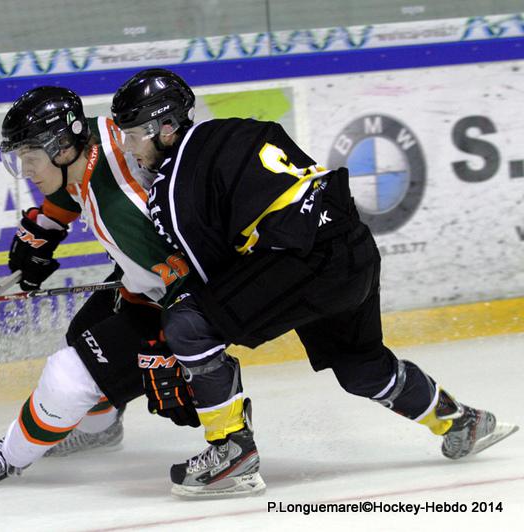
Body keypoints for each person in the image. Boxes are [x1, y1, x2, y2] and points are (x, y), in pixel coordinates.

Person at [110, 68, 519, 499]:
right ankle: (461, 422)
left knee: (189, 325)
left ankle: (231, 452)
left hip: (301, 262)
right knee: (362, 367)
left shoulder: (171, 187)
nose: (129, 148)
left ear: (167, 127)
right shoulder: (235, 130)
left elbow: (208, 282)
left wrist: (171, 333)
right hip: (351, 241)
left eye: (134, 135)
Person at [0, 86, 201, 486]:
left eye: (31, 159)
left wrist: (178, 346)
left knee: (70, 378)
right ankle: (100, 431)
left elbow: (194, 276)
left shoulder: (123, 210)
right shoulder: (93, 138)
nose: (28, 171)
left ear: (61, 149)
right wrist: (46, 227)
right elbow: (71, 190)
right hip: (146, 281)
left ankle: (11, 454)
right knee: (83, 335)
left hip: (179, 295)